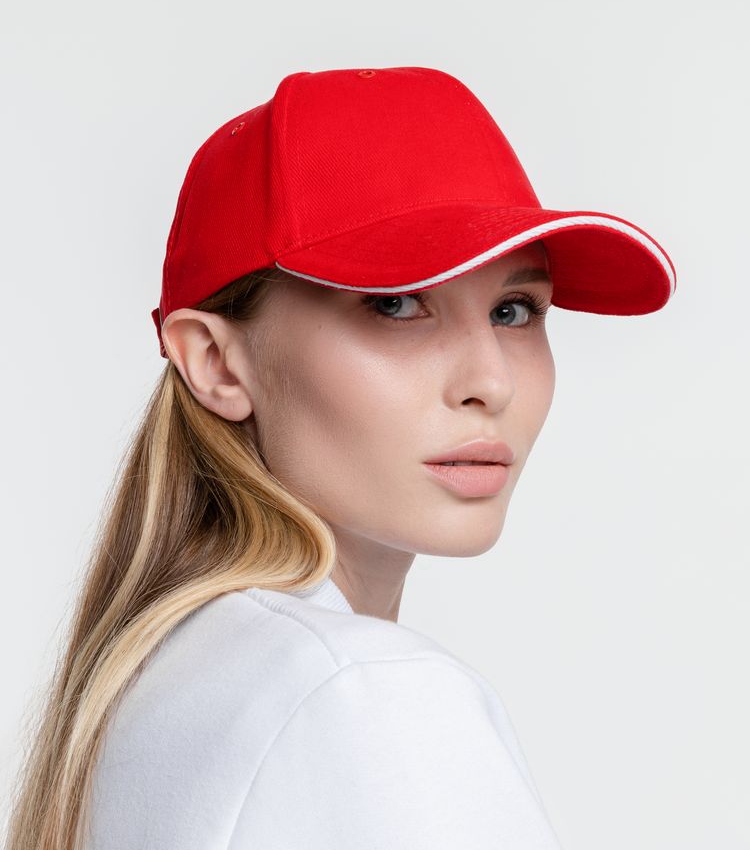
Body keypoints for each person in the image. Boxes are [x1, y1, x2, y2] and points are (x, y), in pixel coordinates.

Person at [5, 66, 677, 849]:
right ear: (217, 364)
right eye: (396, 303)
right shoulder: (363, 693)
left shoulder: (158, 687)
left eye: (514, 310)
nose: (491, 382)